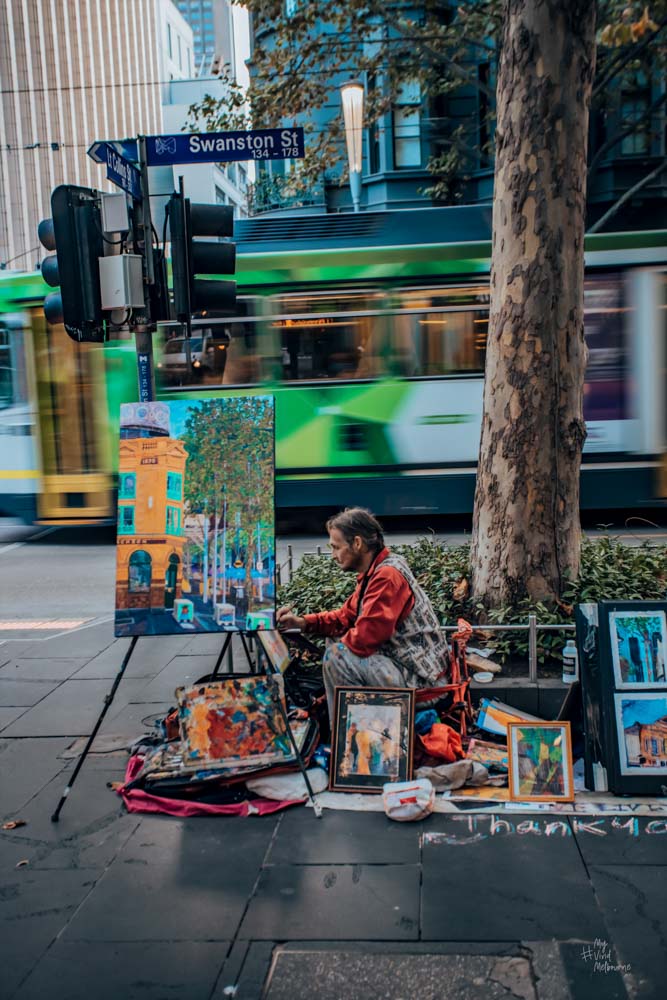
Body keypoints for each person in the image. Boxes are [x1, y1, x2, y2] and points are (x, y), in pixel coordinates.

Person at [276, 507, 450, 725]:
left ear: (357, 543)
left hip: (425, 685)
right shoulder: (374, 571)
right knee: (337, 644)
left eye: (336, 547)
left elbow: (365, 639)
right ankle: (353, 720)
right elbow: (344, 618)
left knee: (337, 656)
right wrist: (301, 623)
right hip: (408, 670)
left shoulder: (386, 576)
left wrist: (333, 650)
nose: (334, 556)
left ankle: (346, 734)